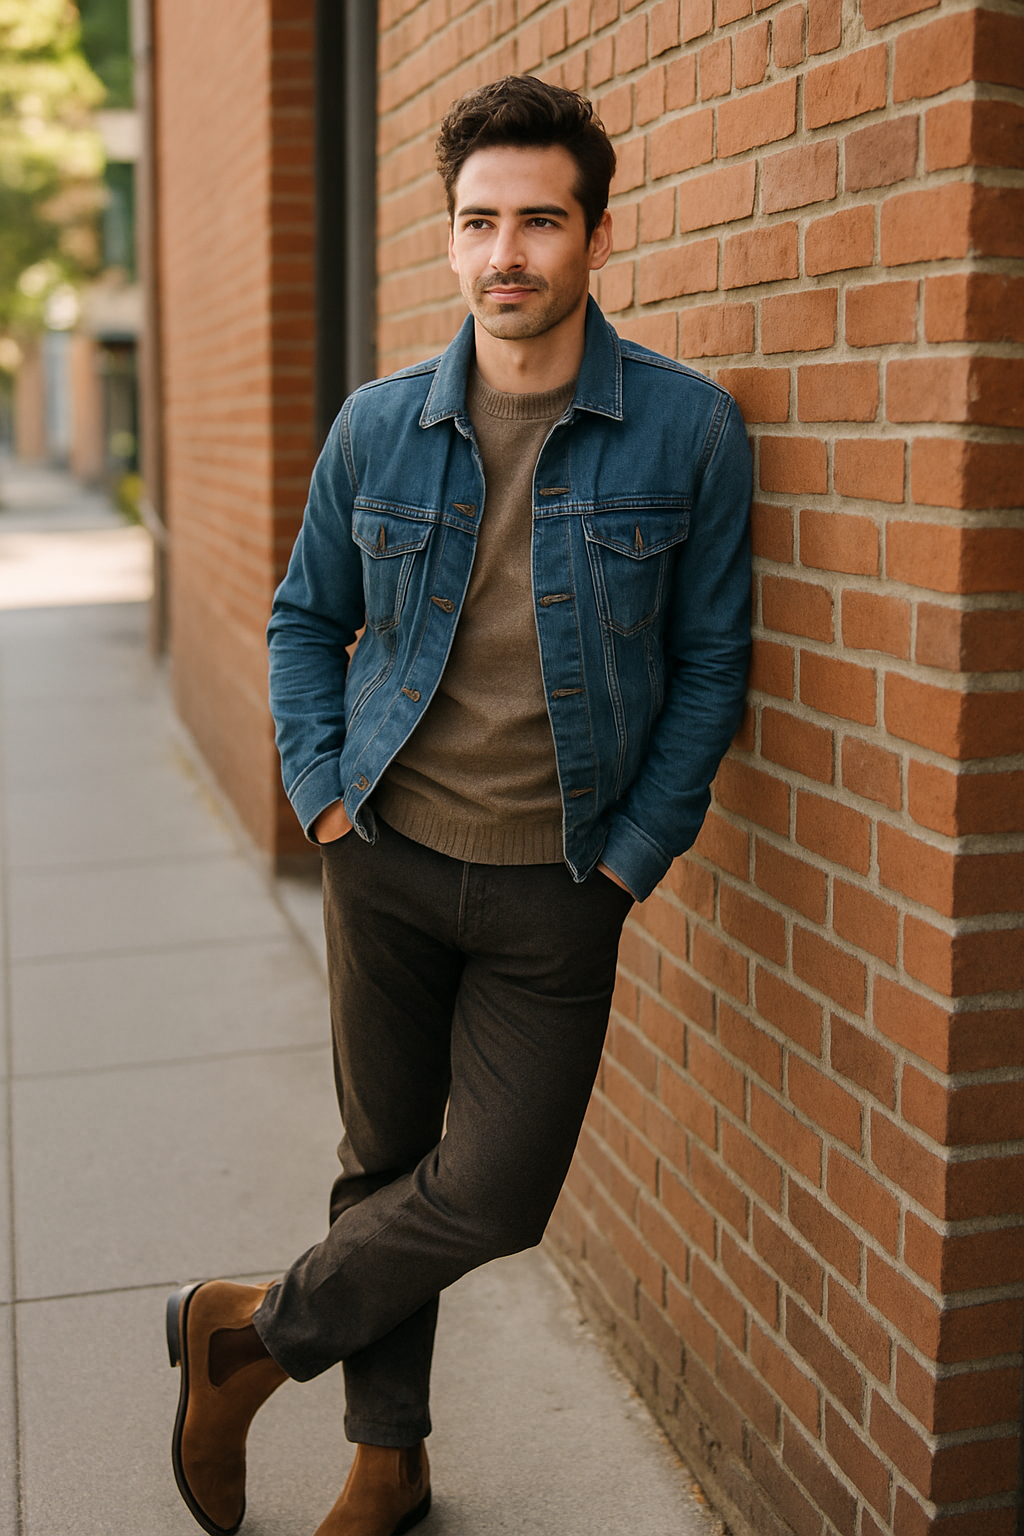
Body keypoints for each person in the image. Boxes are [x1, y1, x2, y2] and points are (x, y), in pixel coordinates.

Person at [166, 73, 752, 1536]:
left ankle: (245, 1338)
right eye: (478, 221)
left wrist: (627, 861)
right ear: (448, 240)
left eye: (540, 222)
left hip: (563, 880)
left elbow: (710, 667)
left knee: (492, 1195)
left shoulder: (688, 434)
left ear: (597, 237)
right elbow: (307, 619)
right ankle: (389, 1462)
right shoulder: (377, 427)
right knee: (381, 1163)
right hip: (387, 853)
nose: (507, 252)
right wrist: (320, 797)